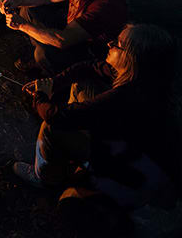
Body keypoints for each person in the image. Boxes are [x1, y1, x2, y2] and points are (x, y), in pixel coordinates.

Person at [13, 24, 180, 214]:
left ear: (131, 59)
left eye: (118, 44)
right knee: (84, 84)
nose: (109, 43)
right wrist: (54, 83)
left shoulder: (129, 97)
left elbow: (57, 117)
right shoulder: (145, 77)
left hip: (130, 172)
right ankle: (74, 156)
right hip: (123, 145)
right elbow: (87, 68)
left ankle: (46, 178)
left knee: (51, 129)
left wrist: (40, 97)